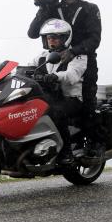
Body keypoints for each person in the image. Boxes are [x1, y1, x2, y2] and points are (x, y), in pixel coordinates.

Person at [27, 0, 103, 156]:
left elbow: (95, 40)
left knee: (87, 103)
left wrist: (74, 50)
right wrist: (43, 5)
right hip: (55, 59)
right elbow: (33, 33)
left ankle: (95, 145)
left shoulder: (90, 9)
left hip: (83, 60)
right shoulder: (53, 8)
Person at [30, 19, 87, 165]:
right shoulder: (43, 55)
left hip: (72, 98)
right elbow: (29, 67)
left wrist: (55, 76)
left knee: (56, 112)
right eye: (48, 38)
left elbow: (72, 75)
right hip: (50, 96)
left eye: (54, 37)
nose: (51, 41)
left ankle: (66, 152)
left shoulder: (77, 55)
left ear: (64, 38)